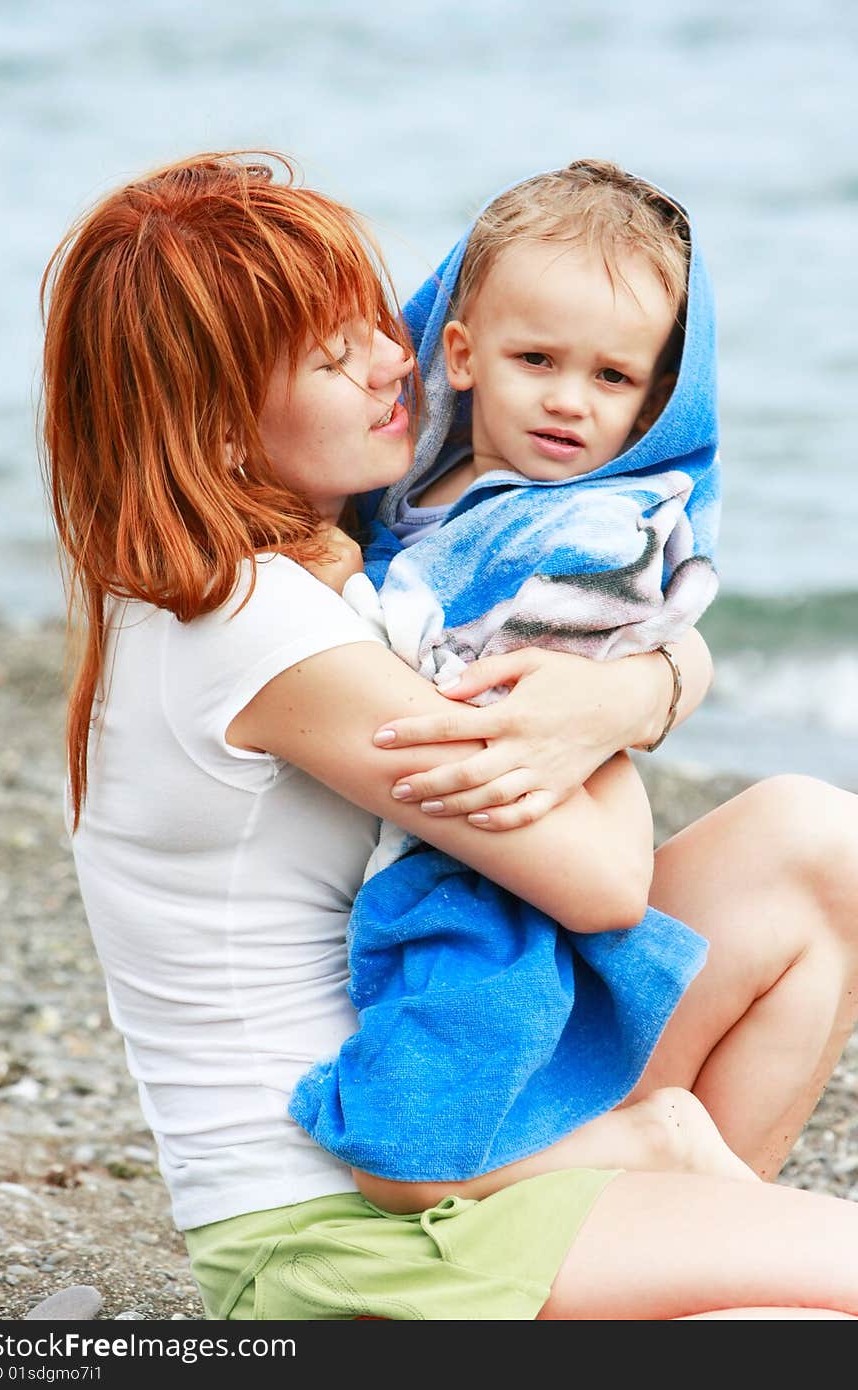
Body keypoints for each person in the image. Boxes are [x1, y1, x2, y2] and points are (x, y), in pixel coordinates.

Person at [39, 151, 858, 1321]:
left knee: (819, 841)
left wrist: (639, 686)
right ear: (218, 427)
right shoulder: (252, 621)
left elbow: (615, 682)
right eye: (332, 359)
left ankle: (676, 1234)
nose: (395, 360)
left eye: (372, 320)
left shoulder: (291, 571)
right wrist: (612, 701)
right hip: (341, 1230)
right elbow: (603, 881)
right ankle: (675, 1221)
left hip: (469, 1124)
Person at [289, 160, 737, 1201]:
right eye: (537, 358)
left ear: (656, 398)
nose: (570, 403)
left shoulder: (583, 532)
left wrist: (648, 682)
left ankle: (686, 1209)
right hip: (451, 836)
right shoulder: (407, 481)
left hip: (504, 862)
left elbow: (490, 686)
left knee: (407, 1152)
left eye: (614, 379)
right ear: (460, 351)